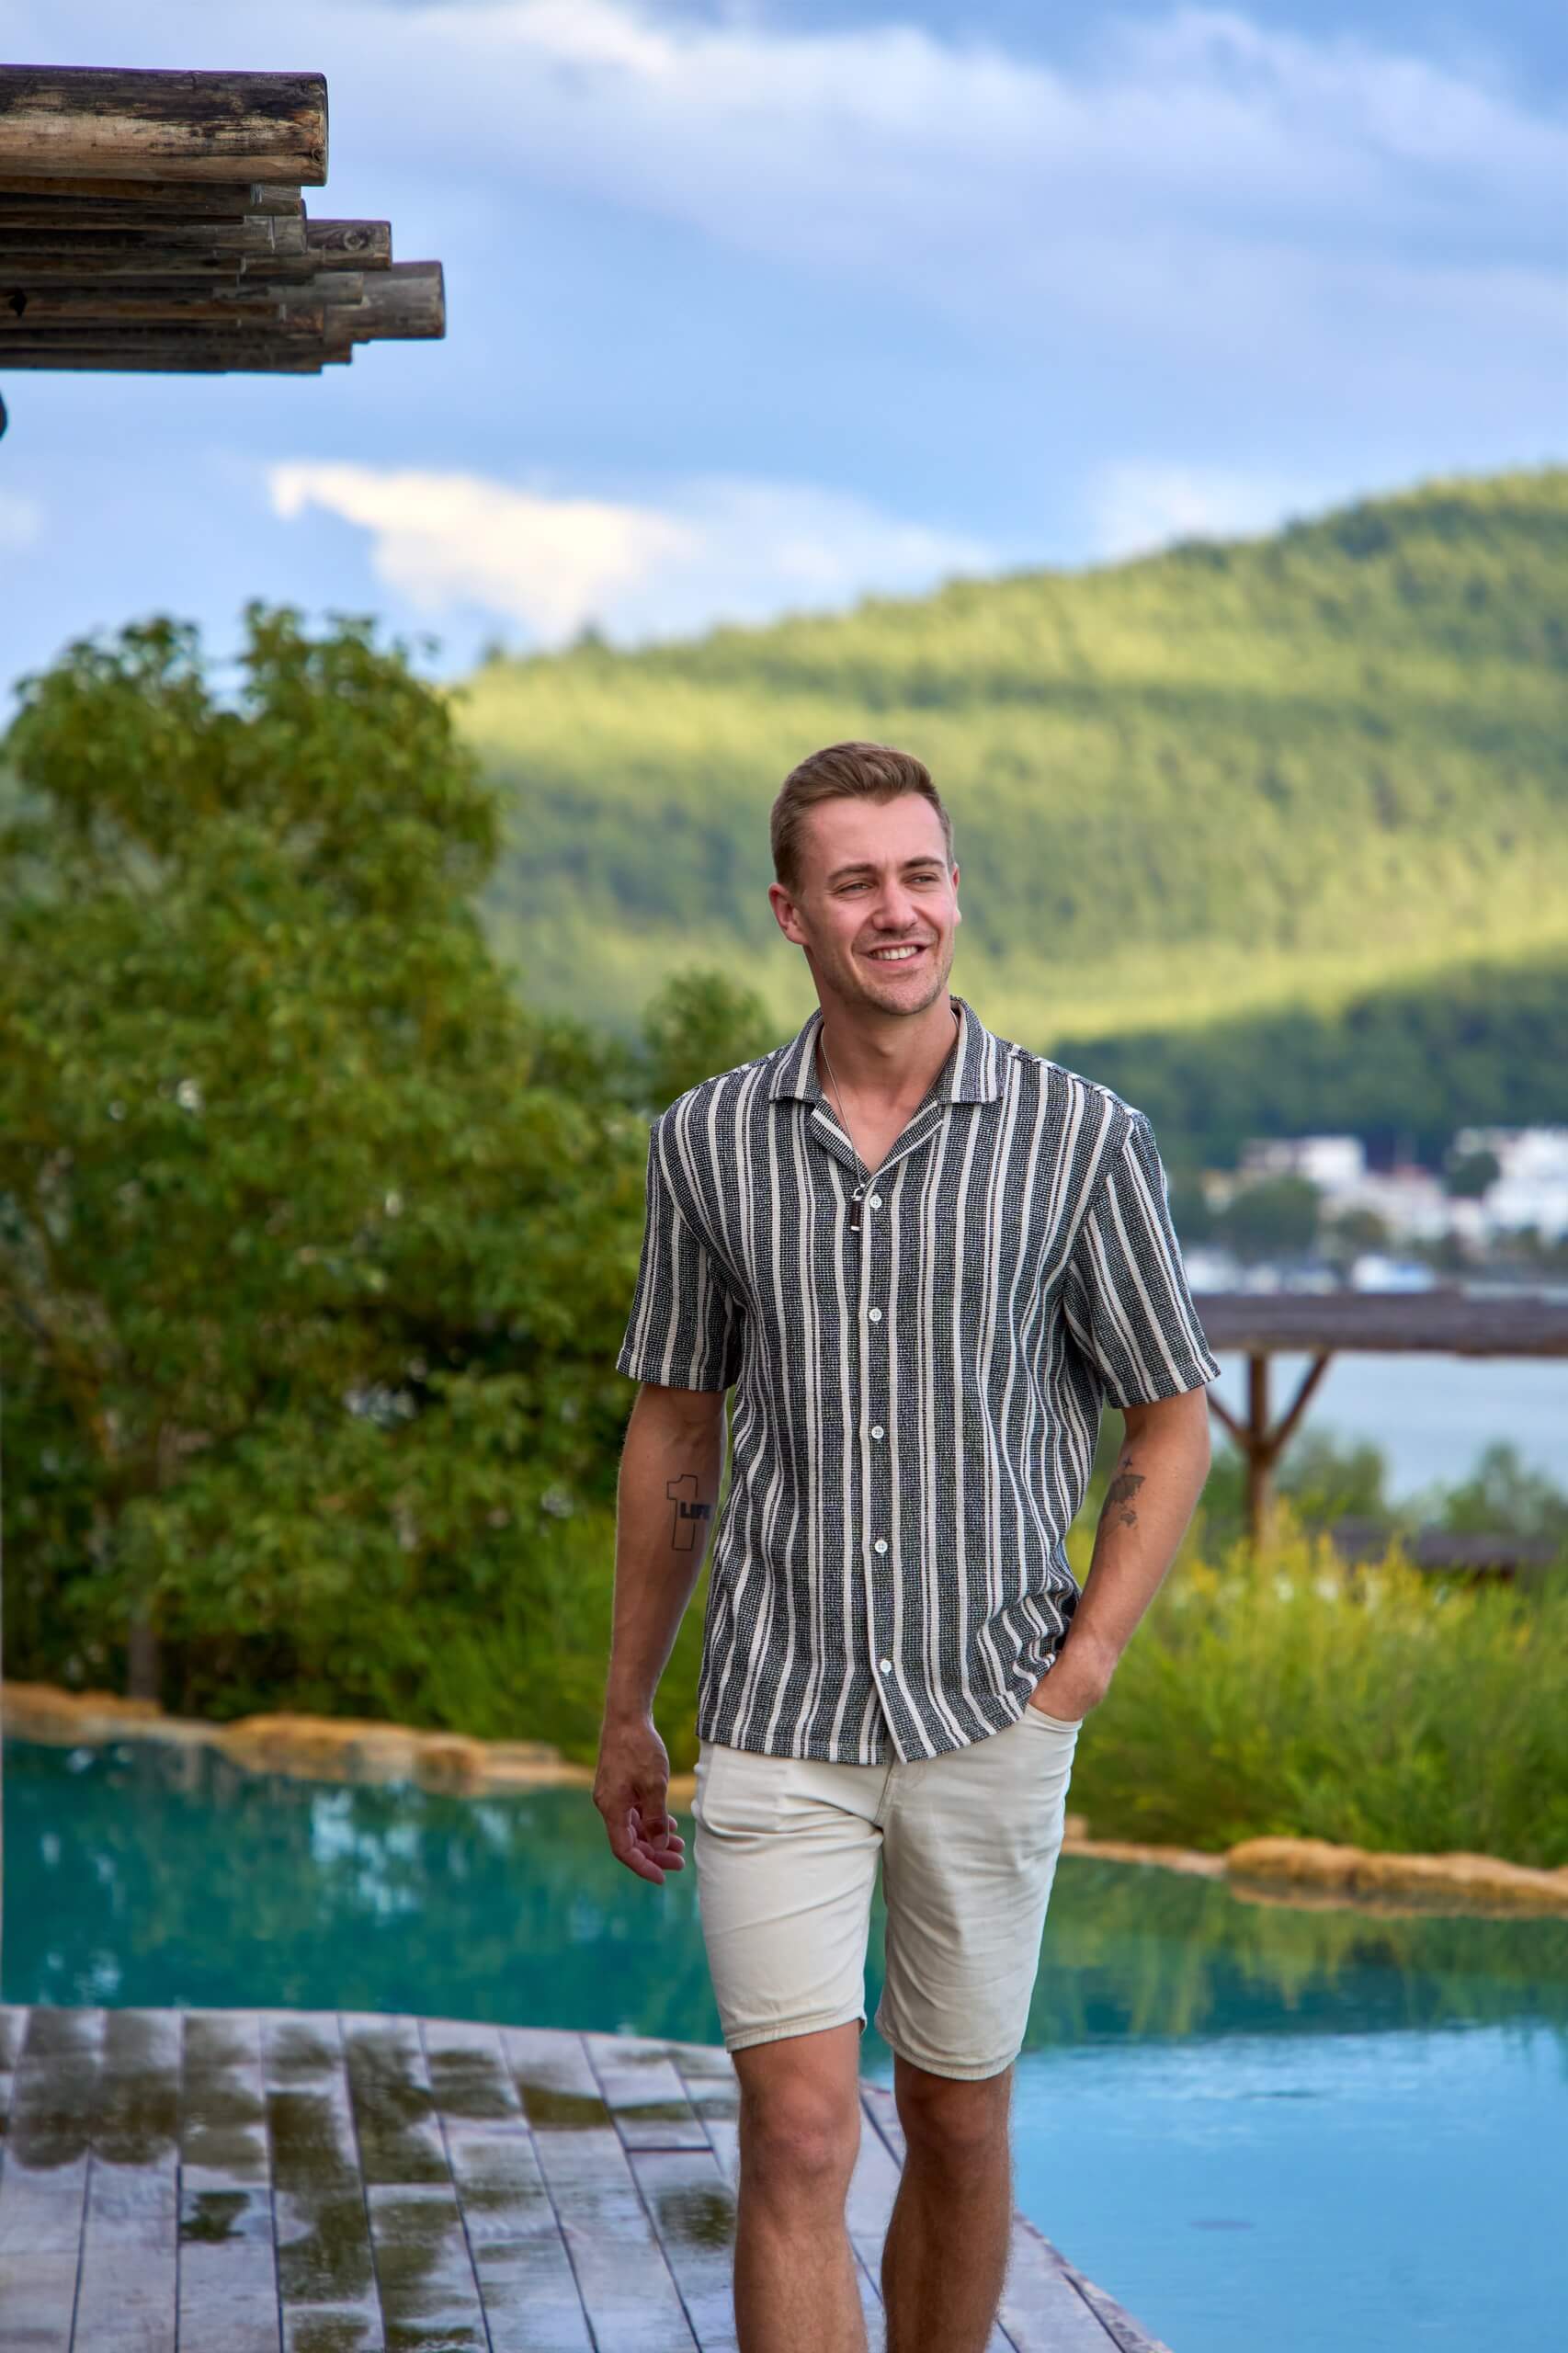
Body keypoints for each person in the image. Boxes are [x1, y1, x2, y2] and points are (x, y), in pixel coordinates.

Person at [595, 740, 1221, 2353]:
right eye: (856, 881)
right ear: (790, 912)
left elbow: (1169, 1418)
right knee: (799, 2133)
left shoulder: (1081, 1137)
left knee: (952, 2119)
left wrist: (1080, 1671)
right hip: (775, 1707)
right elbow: (675, 1426)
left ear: (955, 889)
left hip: (993, 1703)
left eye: (921, 874)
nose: (897, 909)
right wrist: (627, 1705)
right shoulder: (707, 1141)